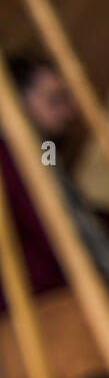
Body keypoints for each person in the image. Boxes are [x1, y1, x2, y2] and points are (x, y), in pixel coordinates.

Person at [0, 55, 77, 312]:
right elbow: (53, 229)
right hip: (42, 304)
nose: (69, 112)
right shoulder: (12, 157)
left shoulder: (46, 149)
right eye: (54, 100)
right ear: (18, 103)